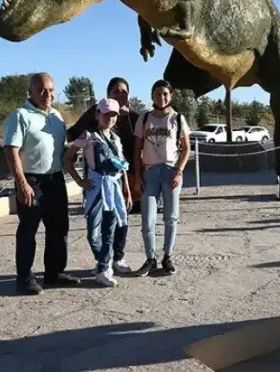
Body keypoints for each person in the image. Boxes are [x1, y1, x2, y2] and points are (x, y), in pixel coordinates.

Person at [3, 73, 80, 295]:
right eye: (42, 90)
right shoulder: (20, 116)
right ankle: (24, 278)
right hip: (32, 180)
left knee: (59, 228)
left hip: (55, 179)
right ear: (31, 92)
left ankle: (54, 273)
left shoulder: (57, 117)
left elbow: (60, 148)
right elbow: (11, 150)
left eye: (51, 90)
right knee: (28, 230)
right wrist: (22, 183)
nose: (48, 94)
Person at [63, 98, 133, 287]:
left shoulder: (116, 139)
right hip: (96, 188)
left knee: (111, 228)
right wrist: (79, 180)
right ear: (97, 114)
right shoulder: (88, 136)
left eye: (113, 115)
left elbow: (122, 166)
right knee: (93, 233)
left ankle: (103, 268)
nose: (110, 118)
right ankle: (105, 261)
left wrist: (126, 189)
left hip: (114, 187)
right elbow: (68, 158)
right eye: (106, 114)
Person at [133, 79, 191, 277]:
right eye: (158, 94)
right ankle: (150, 258)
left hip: (170, 171)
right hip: (150, 172)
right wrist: (138, 176)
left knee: (170, 217)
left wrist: (179, 170)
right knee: (148, 219)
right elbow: (137, 149)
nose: (162, 97)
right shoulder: (144, 118)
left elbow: (186, 148)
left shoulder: (178, 118)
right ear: (152, 96)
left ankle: (168, 255)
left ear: (171, 96)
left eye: (165, 94)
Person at [67, 77, 143, 214]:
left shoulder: (135, 119)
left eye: (124, 92)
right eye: (116, 91)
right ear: (108, 94)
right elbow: (73, 133)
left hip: (129, 183)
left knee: (122, 223)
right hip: (99, 183)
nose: (120, 95)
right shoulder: (95, 113)